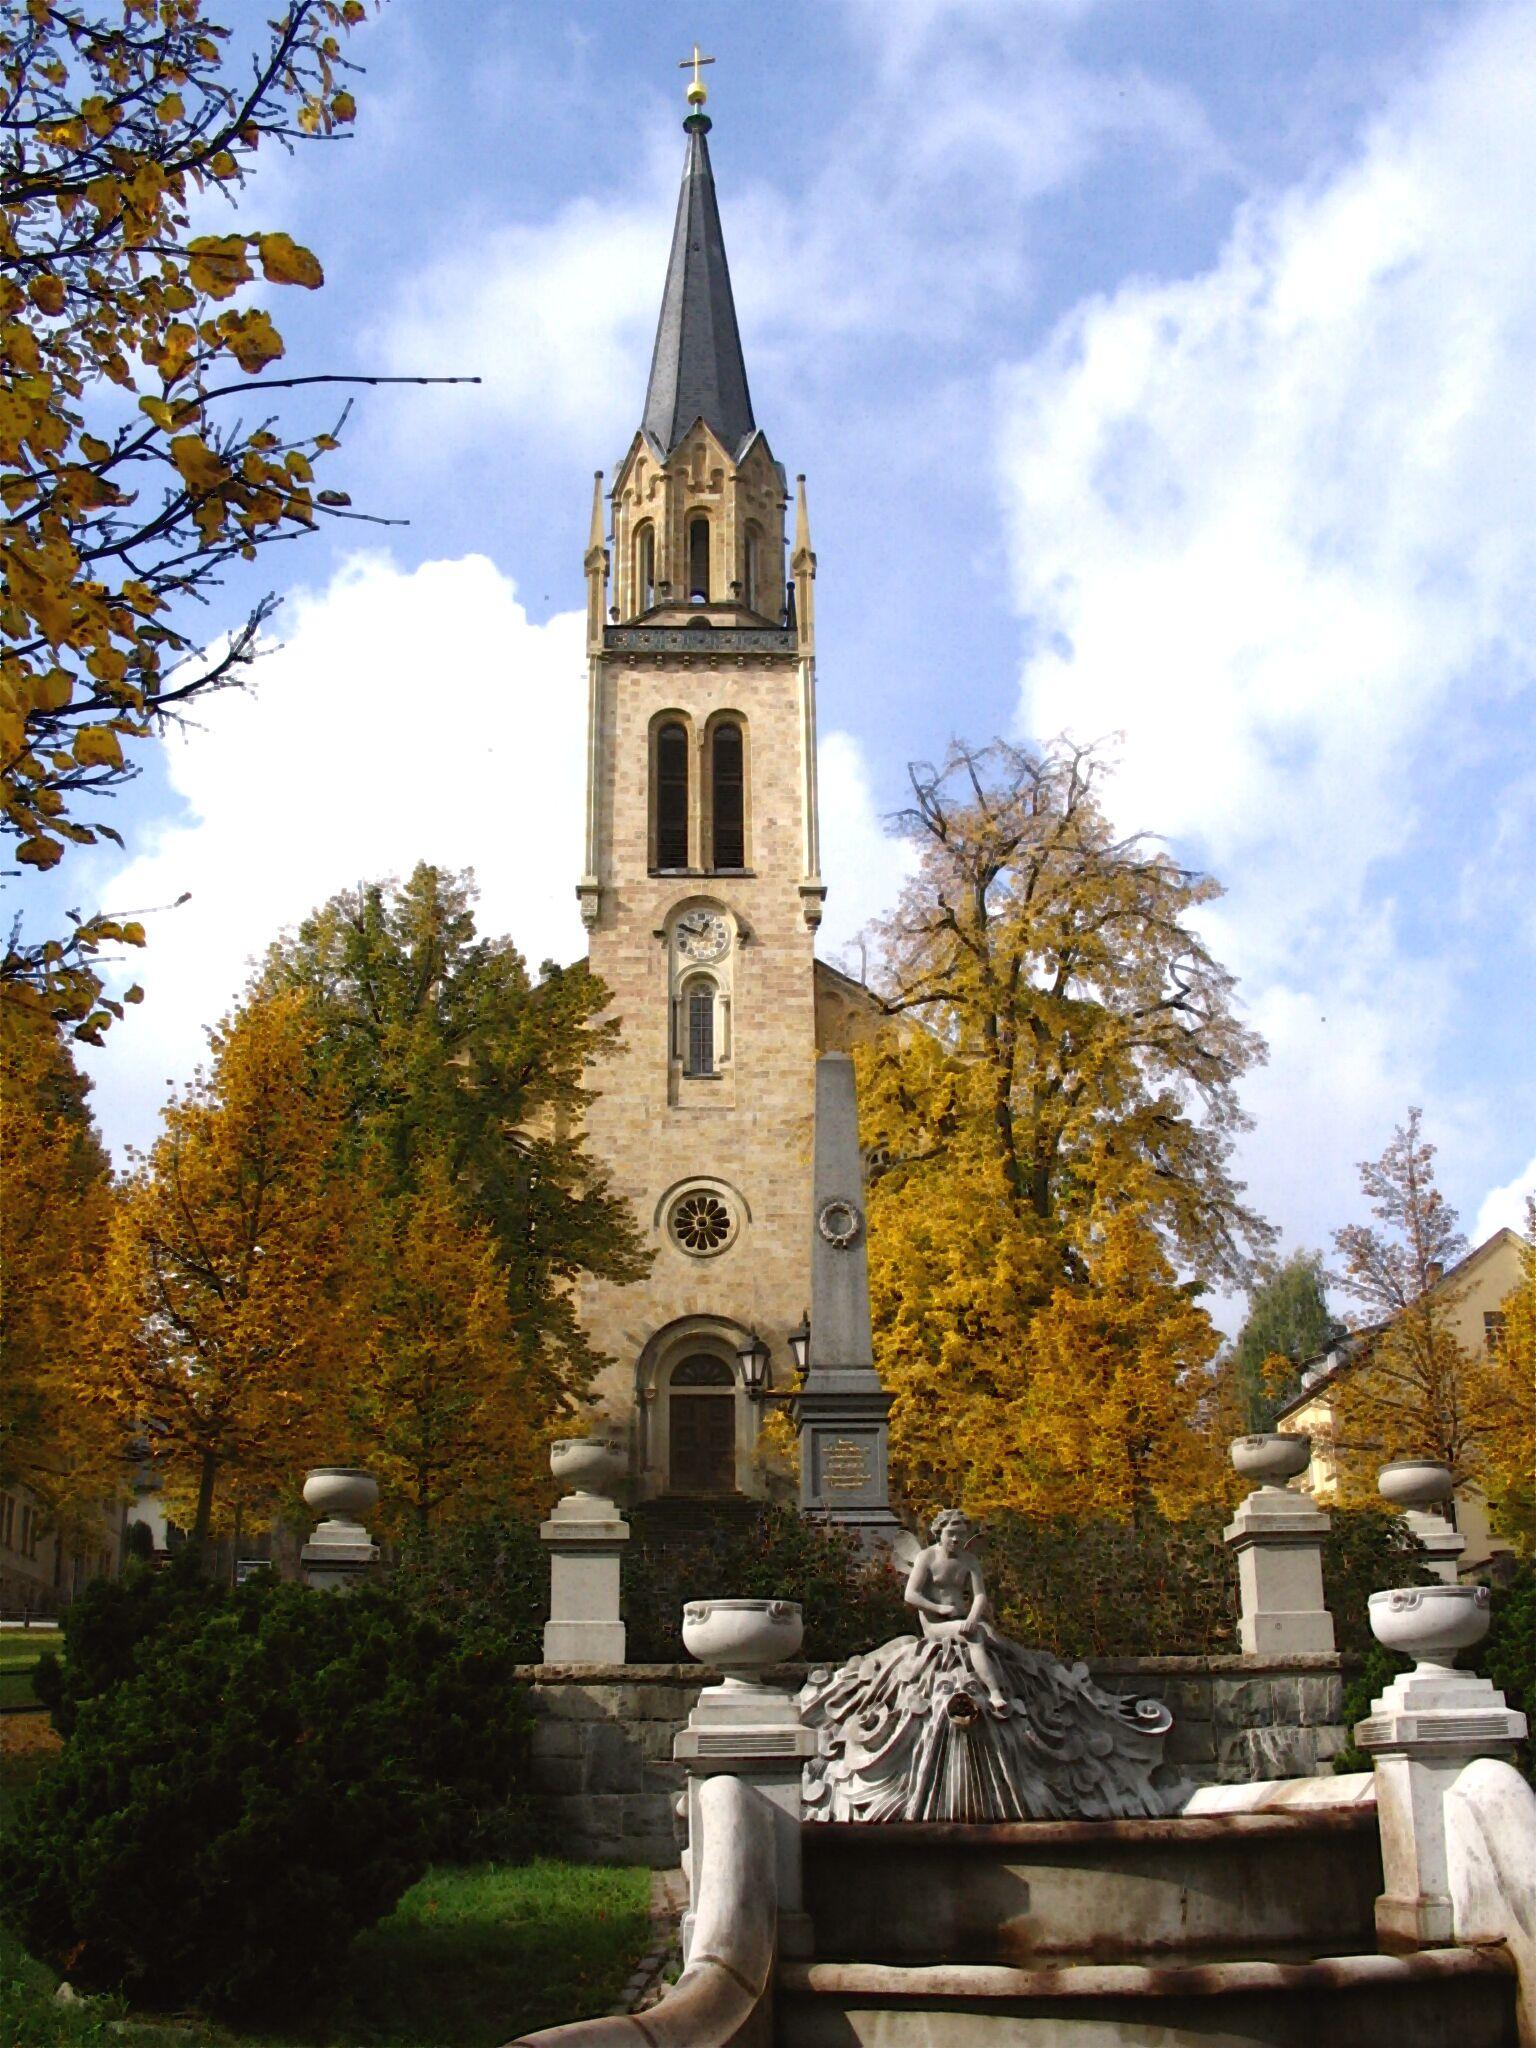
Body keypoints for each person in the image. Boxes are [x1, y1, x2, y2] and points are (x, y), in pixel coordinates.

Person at [903, 1507, 1011, 1713]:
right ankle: (995, 1693)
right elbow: (910, 1594)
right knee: (976, 1635)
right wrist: (939, 1608)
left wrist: (971, 1617)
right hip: (935, 1624)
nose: (955, 1539)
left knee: (997, 1642)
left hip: (962, 1619)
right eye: (950, 1534)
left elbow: (980, 1595)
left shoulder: (969, 1560)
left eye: (961, 1535)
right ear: (939, 1532)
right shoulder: (927, 1557)